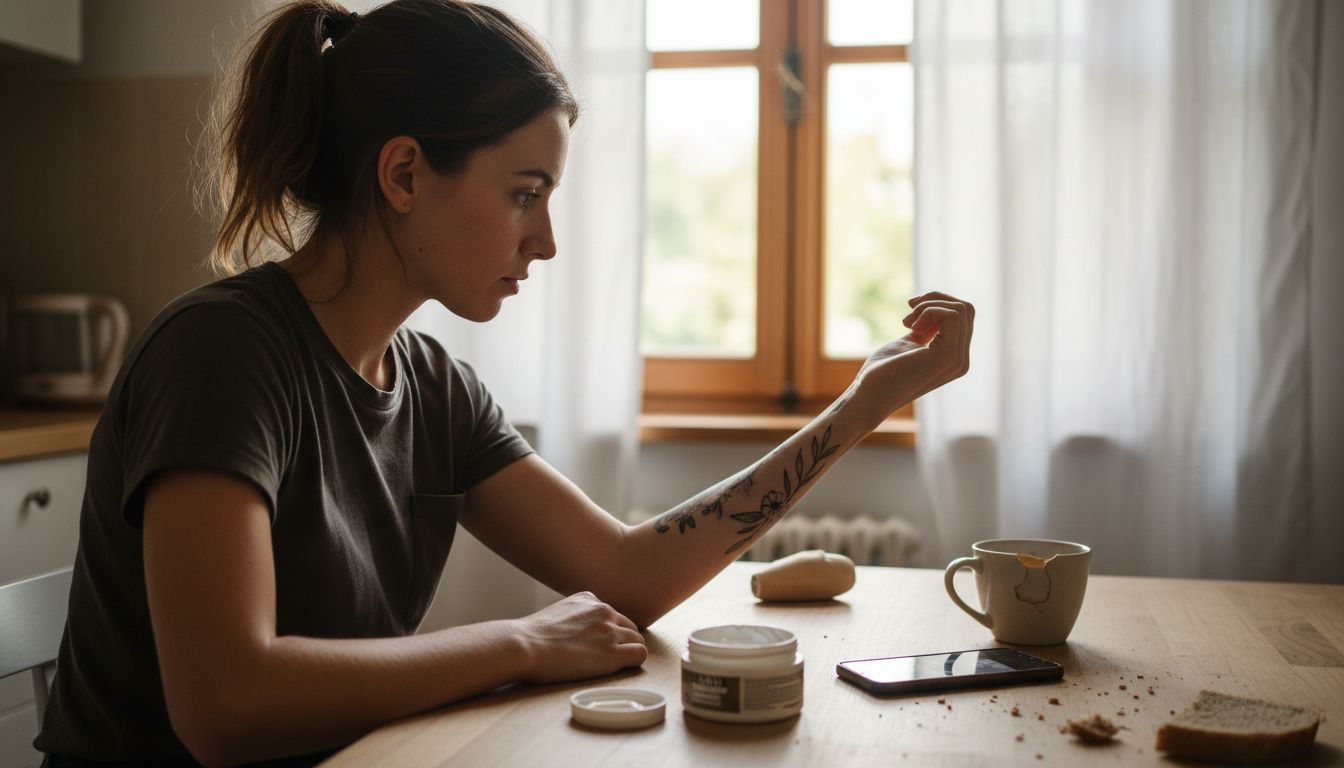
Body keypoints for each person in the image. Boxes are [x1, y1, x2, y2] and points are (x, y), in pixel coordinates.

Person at [34, 1, 973, 766]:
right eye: (525, 193)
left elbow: (623, 574)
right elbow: (226, 705)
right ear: (404, 172)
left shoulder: (434, 387)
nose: (546, 240)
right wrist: (519, 642)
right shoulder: (222, 355)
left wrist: (862, 409)